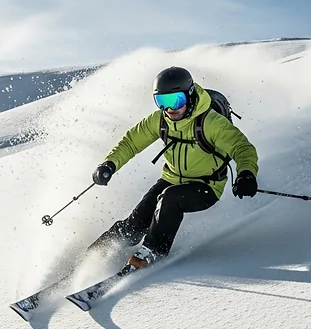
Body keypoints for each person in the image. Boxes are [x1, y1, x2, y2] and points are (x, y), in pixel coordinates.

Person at [89, 66, 259, 269]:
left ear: (189, 95)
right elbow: (131, 142)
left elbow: (242, 148)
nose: (170, 108)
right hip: (171, 179)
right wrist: (110, 163)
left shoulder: (211, 123)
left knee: (170, 198)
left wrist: (246, 174)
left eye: (175, 100)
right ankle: (94, 256)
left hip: (206, 186)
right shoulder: (160, 120)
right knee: (133, 225)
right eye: (162, 102)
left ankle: (152, 251)